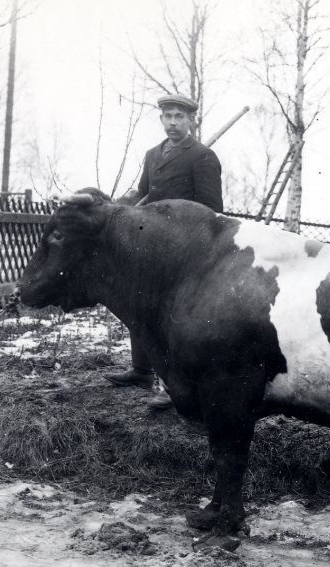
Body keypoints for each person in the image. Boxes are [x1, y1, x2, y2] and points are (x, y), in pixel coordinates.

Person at [104, 94, 223, 409]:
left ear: (189, 120)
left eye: (178, 117)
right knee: (138, 304)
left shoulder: (202, 156)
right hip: (149, 245)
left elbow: (212, 211)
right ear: (161, 119)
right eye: (167, 116)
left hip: (184, 251)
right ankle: (142, 371)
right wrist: (115, 207)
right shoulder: (153, 154)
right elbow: (143, 193)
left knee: (172, 318)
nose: (172, 122)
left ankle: (176, 386)